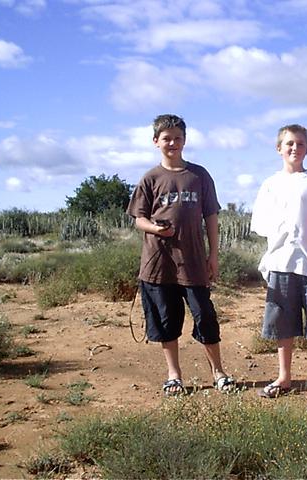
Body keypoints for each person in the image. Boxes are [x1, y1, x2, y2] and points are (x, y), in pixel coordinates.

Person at [126, 113, 234, 396]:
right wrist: (154, 228)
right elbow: (138, 218)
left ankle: (219, 372)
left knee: (205, 316)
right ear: (155, 142)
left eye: (177, 138)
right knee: (166, 320)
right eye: (166, 138)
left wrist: (214, 255)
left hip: (194, 261)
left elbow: (211, 216)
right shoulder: (150, 178)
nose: (172, 143)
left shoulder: (199, 175)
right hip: (158, 263)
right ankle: (174, 375)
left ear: (185, 141)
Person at [250, 124, 307, 399]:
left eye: (300, 144)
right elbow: (263, 225)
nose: (295, 148)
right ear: (279, 148)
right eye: (289, 143)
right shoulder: (270, 184)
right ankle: (283, 377)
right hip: (280, 262)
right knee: (283, 322)